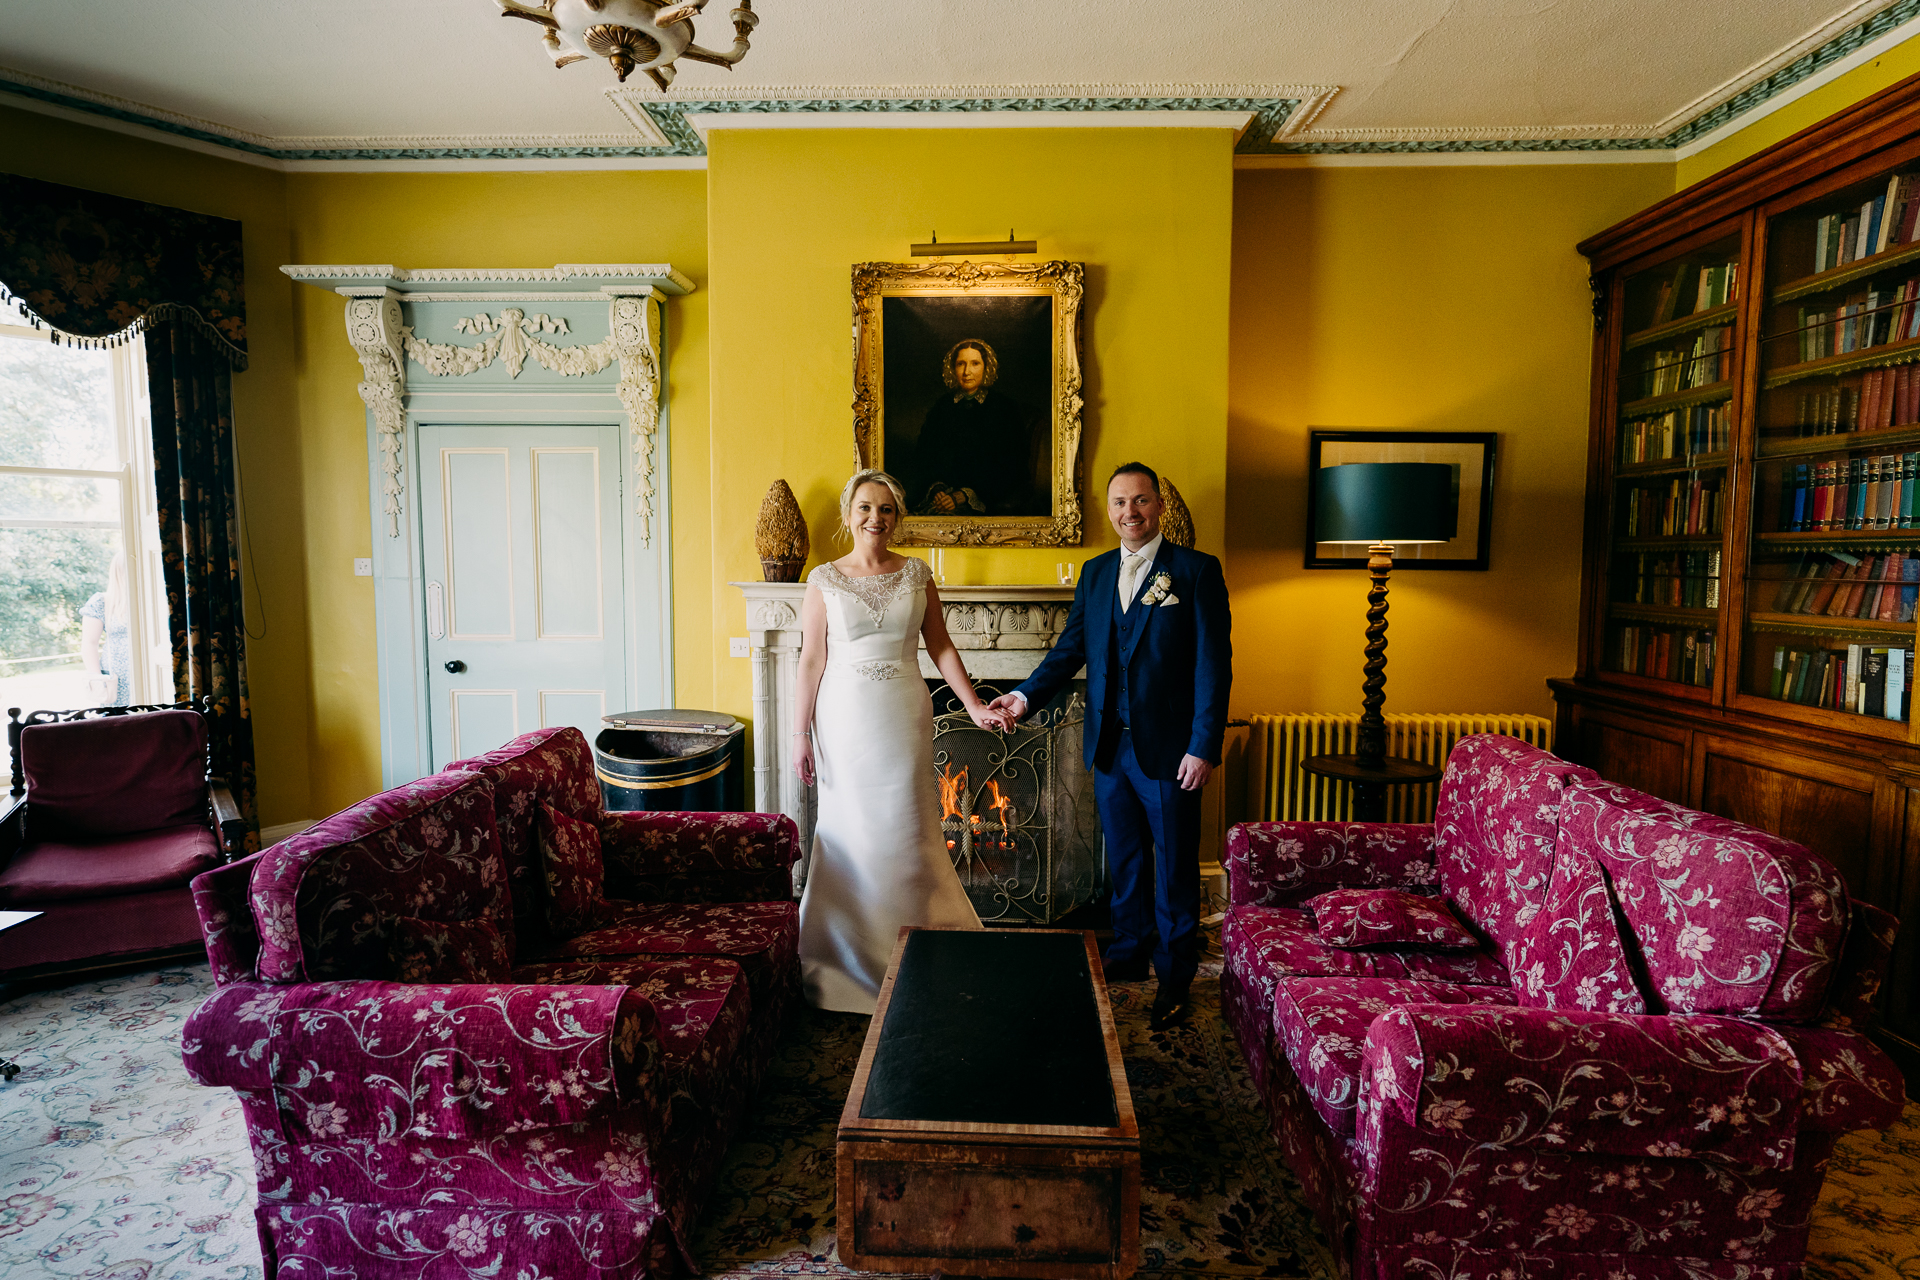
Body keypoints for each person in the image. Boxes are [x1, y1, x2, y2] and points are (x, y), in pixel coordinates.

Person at [990, 463, 1231, 1030]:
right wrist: (1024, 698)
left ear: (1159, 507)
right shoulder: (1096, 574)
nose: (1130, 512)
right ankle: (1127, 955)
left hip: (1171, 753)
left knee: (1173, 869)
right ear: (1109, 509)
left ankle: (1174, 977)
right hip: (1107, 750)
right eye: (1120, 502)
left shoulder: (1196, 572)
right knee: (1123, 861)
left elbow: (1213, 669)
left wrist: (1203, 745)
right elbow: (1070, 649)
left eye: (1141, 501)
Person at [792, 468, 1015, 1013]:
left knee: (907, 826)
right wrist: (799, 735)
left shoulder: (917, 573)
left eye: (886, 509)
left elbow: (939, 646)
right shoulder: (823, 578)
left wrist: (973, 705)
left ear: (898, 517)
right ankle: (849, 960)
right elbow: (811, 660)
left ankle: (920, 954)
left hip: (903, 712)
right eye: (866, 508)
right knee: (854, 829)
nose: (876, 518)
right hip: (843, 716)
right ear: (848, 515)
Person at [912, 339, 1035, 517]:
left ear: (986, 367)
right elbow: (924, 454)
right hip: (942, 496)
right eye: (960, 364)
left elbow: (1013, 464)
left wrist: (966, 495)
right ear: (953, 368)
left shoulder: (1004, 408)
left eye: (975, 364)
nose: (966, 372)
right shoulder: (942, 406)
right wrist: (936, 488)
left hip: (986, 498)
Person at [80, 550, 132, 707]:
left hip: (152, 671)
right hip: (117, 678)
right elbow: (89, 643)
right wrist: (97, 678)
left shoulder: (152, 599)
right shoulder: (102, 601)